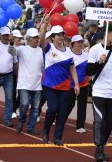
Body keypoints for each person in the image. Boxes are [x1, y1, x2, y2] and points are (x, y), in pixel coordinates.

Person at [86, 27, 112, 162]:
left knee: (109, 122)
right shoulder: (95, 49)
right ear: (108, 34)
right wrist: (99, 62)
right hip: (98, 91)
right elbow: (89, 71)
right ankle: (99, 148)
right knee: (99, 120)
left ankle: (102, 144)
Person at [39, 18, 80, 146]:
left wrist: (77, 84)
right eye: (58, 35)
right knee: (52, 109)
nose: (61, 37)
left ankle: (57, 137)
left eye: (62, 35)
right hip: (50, 85)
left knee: (62, 112)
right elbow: (41, 39)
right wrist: (45, 24)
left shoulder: (68, 51)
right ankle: (46, 131)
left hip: (64, 87)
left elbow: (72, 68)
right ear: (52, 37)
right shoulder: (48, 48)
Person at [9, 28, 44, 135]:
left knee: (36, 107)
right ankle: (21, 122)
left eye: (37, 37)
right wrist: (11, 42)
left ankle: (31, 127)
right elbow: (12, 51)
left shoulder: (41, 50)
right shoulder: (22, 49)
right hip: (24, 83)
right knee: (24, 104)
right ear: (28, 39)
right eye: (34, 37)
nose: (36, 39)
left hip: (37, 84)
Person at [66, 35, 89, 133]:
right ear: (73, 44)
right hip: (70, 85)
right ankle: (61, 118)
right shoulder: (68, 54)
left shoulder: (86, 55)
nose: (80, 44)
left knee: (82, 105)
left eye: (81, 42)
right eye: (78, 42)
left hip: (83, 84)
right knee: (69, 104)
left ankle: (80, 126)